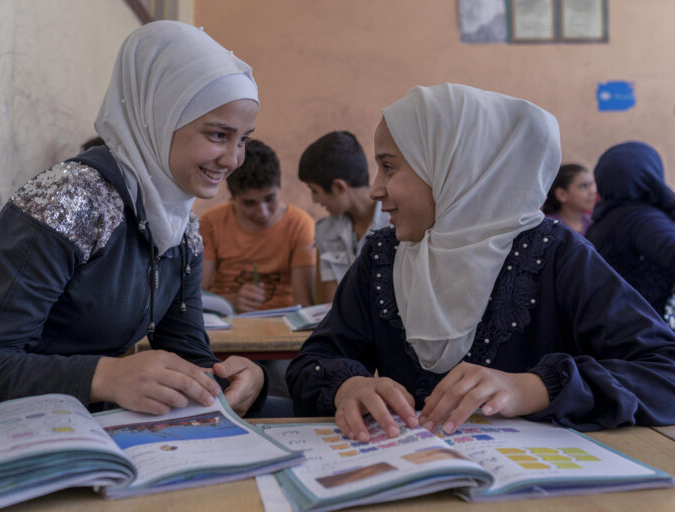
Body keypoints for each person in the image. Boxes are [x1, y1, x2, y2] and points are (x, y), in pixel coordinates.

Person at [286, 84, 675, 443]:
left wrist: (534, 388)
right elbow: (314, 361)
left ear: (455, 167)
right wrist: (347, 385)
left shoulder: (556, 255)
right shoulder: (383, 257)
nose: (375, 189)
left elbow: (665, 372)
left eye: (389, 167)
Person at [0, 21, 268, 422]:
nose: (232, 159)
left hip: (82, 423)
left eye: (243, 139)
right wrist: (104, 376)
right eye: (217, 135)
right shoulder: (68, 200)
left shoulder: (179, 227)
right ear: (156, 118)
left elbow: (186, 353)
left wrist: (237, 380)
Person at [200, 138, 316, 313]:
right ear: (233, 199)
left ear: (279, 188)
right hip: (225, 320)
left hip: (283, 324)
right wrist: (232, 300)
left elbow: (305, 303)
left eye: (270, 199)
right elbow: (195, 294)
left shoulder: (299, 224)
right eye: (249, 203)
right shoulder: (211, 222)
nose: (263, 212)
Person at [585, 142, 675, 322]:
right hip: (649, 328)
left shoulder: (604, 220)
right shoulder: (642, 219)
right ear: (650, 173)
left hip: (616, 328)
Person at [298, 131, 389, 303]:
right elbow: (330, 305)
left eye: (314, 191)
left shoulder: (396, 223)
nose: (315, 200)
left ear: (339, 187)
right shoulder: (326, 230)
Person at [542, 163, 596, 235]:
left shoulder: (593, 224)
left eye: (591, 184)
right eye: (583, 186)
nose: (592, 191)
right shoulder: (548, 227)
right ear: (562, 194)